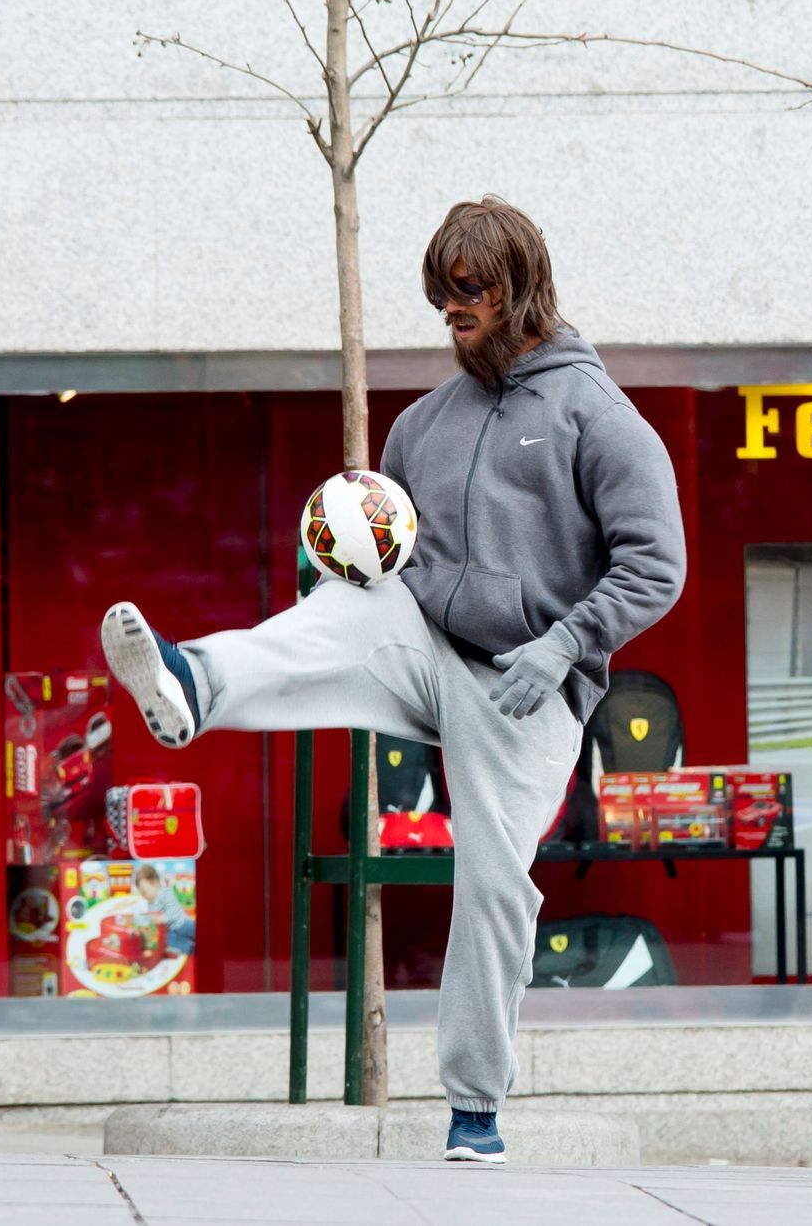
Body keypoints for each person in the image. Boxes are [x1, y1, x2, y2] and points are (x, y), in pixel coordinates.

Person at [101, 195, 686, 1163]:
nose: (451, 316)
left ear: (519, 289)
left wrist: (561, 645)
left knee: (495, 883)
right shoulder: (421, 424)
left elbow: (653, 566)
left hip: (531, 690)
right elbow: (396, 564)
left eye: (468, 297)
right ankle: (193, 682)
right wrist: (350, 546)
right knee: (344, 608)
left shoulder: (598, 418)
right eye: (441, 300)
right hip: (427, 652)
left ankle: (473, 1112)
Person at [134, 864, 196, 956]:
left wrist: (162, 918)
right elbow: (150, 918)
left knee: (192, 928)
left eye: (144, 892)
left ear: (155, 883)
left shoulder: (165, 893)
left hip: (181, 923)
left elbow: (174, 912)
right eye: (141, 893)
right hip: (169, 930)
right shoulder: (150, 903)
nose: (143, 896)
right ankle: (190, 948)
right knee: (166, 938)